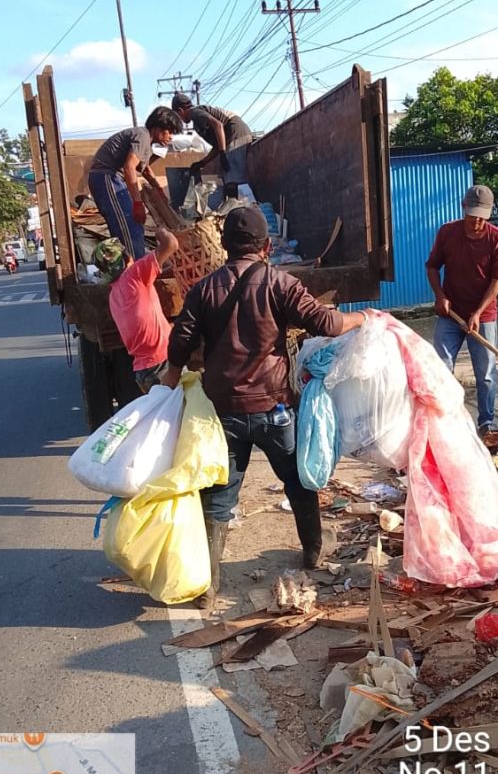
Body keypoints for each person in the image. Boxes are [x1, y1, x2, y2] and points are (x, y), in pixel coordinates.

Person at [162, 206, 365, 609]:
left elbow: (180, 340)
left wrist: (170, 374)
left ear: (224, 246)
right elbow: (325, 323)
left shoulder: (204, 289)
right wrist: (360, 318)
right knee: (298, 482)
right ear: (267, 246)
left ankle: (209, 586)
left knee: (220, 497)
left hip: (224, 414)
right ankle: (312, 552)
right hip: (274, 408)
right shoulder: (280, 283)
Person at [425, 184, 498, 436]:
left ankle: (486, 423)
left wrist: (478, 313)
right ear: (463, 209)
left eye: (481, 218)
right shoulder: (447, 233)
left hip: (484, 315)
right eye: (472, 217)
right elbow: (432, 267)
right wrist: (440, 297)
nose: (476, 223)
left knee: (485, 374)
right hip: (450, 313)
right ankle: (445, 420)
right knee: (442, 367)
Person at [88, 107, 181, 260]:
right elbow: (129, 167)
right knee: (128, 226)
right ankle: (134, 273)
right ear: (157, 128)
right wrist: (137, 203)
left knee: (133, 226)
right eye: (169, 131)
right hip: (107, 177)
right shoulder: (142, 136)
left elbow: (144, 169)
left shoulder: (146, 142)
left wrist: (158, 189)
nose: (171, 137)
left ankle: (132, 269)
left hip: (110, 179)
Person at [108, 226, 180, 393]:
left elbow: (142, 322)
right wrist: (161, 231)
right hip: (162, 366)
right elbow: (171, 243)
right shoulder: (134, 274)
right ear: (126, 257)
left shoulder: (114, 295)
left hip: (144, 371)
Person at [170, 93, 252, 199]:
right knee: (226, 175)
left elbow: (218, 125)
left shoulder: (194, 112)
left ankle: (245, 205)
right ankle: (233, 205)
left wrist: (222, 153)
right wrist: (202, 162)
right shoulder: (197, 125)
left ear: (180, 111)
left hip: (236, 131)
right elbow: (217, 145)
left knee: (233, 176)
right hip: (230, 136)